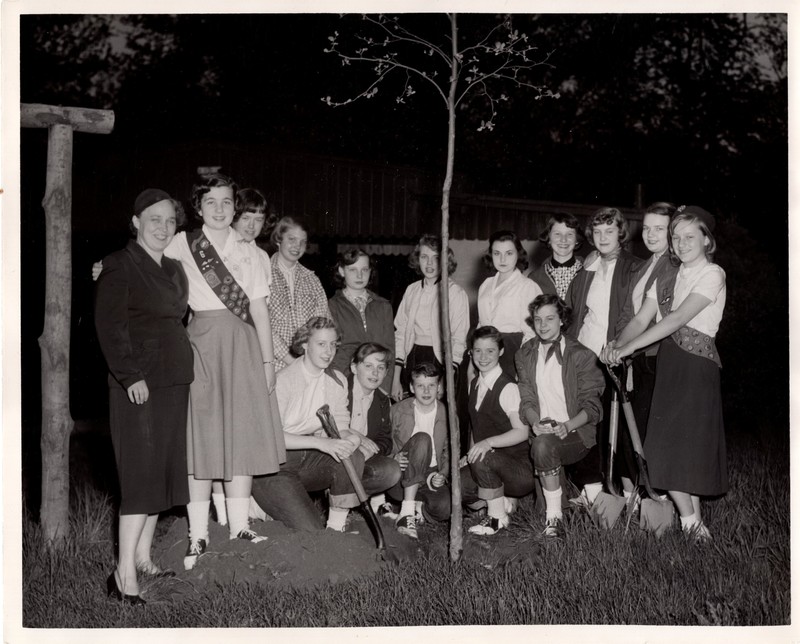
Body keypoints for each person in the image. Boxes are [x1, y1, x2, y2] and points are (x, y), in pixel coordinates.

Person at [162, 173, 285, 570]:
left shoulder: (254, 254)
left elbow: (261, 312)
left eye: (226, 202)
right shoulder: (183, 243)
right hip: (200, 344)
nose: (219, 209)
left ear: (236, 207)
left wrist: (268, 363)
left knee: (242, 433)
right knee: (202, 437)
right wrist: (104, 266)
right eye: (210, 202)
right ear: (198, 208)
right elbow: (143, 257)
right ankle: (198, 534)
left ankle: (239, 527)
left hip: (245, 347)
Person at [95, 189, 194, 604]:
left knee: (162, 471)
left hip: (173, 381)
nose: (163, 227)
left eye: (170, 220)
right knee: (139, 474)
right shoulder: (118, 265)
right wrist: (130, 375)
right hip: (138, 385)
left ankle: (142, 557)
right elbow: (109, 328)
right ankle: (122, 576)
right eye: (154, 219)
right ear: (135, 222)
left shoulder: (174, 268)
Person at [609, 206, 727, 540]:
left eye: (691, 236)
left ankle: (691, 525)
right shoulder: (666, 275)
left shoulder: (712, 274)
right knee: (669, 447)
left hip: (696, 364)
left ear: (706, 240)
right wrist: (615, 346)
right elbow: (640, 319)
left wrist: (628, 349)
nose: (682, 242)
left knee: (676, 449)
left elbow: (675, 320)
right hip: (669, 363)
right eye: (676, 237)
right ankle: (694, 526)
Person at [565, 207, 643, 505]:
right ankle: (592, 488)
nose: (603, 237)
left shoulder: (634, 267)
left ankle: (627, 491)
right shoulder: (588, 267)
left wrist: (620, 349)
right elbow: (576, 310)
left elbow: (631, 314)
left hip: (614, 354)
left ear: (621, 233)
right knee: (587, 422)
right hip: (585, 353)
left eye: (609, 231)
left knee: (618, 425)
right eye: (597, 232)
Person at [604, 202, 678, 500]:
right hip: (636, 356)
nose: (650, 234)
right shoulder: (644, 266)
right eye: (646, 228)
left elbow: (657, 319)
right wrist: (615, 344)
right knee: (629, 428)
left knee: (649, 430)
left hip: (656, 356)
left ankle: (655, 496)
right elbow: (629, 314)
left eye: (659, 229)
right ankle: (630, 493)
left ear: (672, 231)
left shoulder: (673, 266)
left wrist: (625, 348)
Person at [516, 294, 605, 538]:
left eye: (549, 318)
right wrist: (535, 423)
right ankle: (555, 513)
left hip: (575, 432)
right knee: (543, 444)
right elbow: (527, 400)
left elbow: (593, 406)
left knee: (544, 447)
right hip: (543, 432)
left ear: (562, 320)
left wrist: (567, 426)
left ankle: (554, 516)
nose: (543, 325)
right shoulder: (524, 354)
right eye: (537, 320)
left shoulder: (582, 355)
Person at [276, 316, 366, 532]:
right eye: (321, 344)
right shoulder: (283, 380)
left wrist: (350, 438)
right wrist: (322, 444)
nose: (329, 351)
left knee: (352, 454)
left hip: (309, 461)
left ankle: (336, 529)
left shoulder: (336, 380)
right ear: (305, 344)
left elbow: (340, 426)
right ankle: (259, 503)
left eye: (333, 344)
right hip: (277, 464)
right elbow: (273, 438)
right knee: (309, 529)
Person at [460, 326, 534, 536]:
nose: (483, 357)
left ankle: (497, 518)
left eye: (490, 351)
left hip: (519, 470)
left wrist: (486, 444)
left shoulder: (508, 387)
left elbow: (521, 432)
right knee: (458, 487)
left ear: (501, 352)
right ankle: (500, 500)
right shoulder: (475, 383)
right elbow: (478, 426)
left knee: (481, 458)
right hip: (492, 462)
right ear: (471, 353)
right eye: (478, 350)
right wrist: (470, 454)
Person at [392, 234, 469, 401]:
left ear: (445, 261)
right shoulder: (411, 290)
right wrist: (396, 378)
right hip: (413, 357)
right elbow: (401, 333)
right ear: (417, 259)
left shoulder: (455, 293)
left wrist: (446, 378)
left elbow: (459, 339)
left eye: (436, 258)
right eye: (424, 257)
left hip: (442, 362)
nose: (429, 263)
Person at [387, 362, 451, 539]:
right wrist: (393, 457)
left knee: (446, 508)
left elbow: (449, 450)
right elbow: (384, 442)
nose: (426, 391)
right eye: (420, 386)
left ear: (438, 387)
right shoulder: (398, 410)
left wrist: (443, 474)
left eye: (431, 385)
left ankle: (417, 506)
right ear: (411, 387)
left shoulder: (447, 414)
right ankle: (406, 513)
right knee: (422, 439)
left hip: (429, 475)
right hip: (401, 475)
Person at [475, 230, 543, 380]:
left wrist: (522, 366)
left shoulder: (528, 286)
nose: (502, 259)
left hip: (512, 351)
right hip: (485, 351)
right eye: (497, 253)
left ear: (518, 254)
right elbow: (481, 324)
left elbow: (532, 332)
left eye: (509, 253)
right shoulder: (486, 285)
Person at [345, 342, 403, 515]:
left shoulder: (382, 400)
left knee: (391, 470)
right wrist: (357, 438)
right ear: (354, 367)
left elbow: (385, 440)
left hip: (363, 458)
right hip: (334, 453)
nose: (375, 373)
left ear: (386, 372)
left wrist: (370, 451)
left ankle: (357, 500)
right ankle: (341, 502)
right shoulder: (340, 389)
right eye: (368, 366)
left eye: (381, 367)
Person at [268, 216, 330, 371]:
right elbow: (262, 326)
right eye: (292, 239)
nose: (298, 246)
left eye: (303, 241)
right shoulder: (263, 273)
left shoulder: (312, 279)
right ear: (278, 239)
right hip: (272, 366)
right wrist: (291, 361)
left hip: (308, 366)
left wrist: (309, 362)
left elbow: (322, 324)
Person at [328, 249, 395, 389]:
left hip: (376, 381)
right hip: (343, 381)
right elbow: (331, 350)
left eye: (364, 269)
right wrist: (337, 384)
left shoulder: (383, 306)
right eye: (352, 270)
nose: (359, 275)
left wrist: (385, 387)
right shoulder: (331, 306)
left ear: (370, 271)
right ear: (341, 271)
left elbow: (390, 350)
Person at [530, 212, 585, 299]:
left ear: (577, 239)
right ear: (548, 239)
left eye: (569, 234)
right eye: (557, 234)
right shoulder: (534, 278)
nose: (563, 240)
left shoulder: (588, 273)